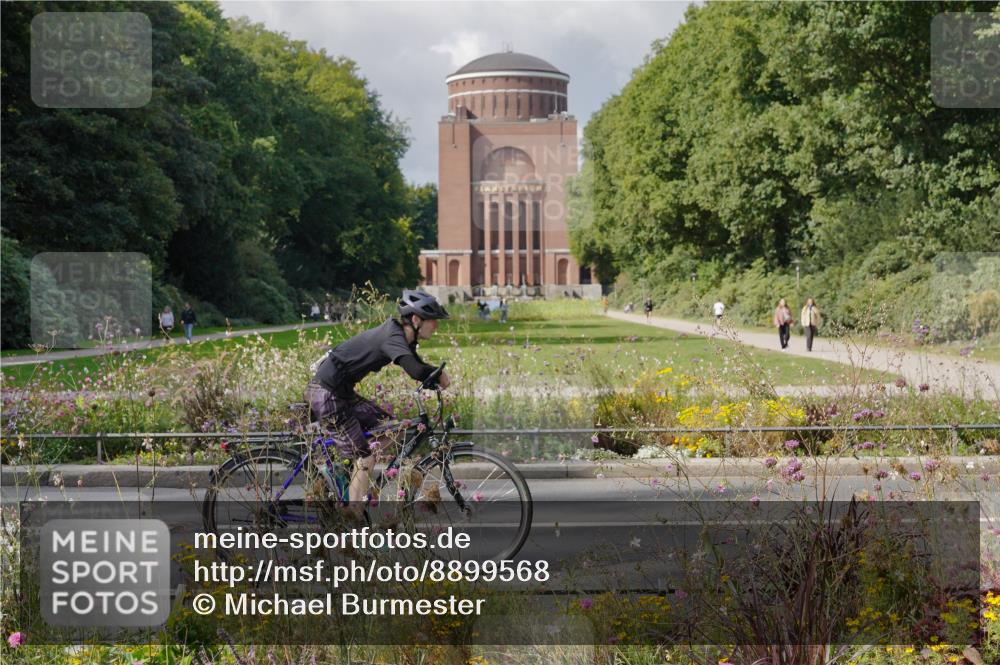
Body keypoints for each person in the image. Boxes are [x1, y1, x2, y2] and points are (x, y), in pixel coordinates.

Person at [305, 290, 451, 518]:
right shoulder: (392, 336)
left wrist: (432, 375)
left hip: (340, 392)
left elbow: (416, 364)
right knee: (366, 455)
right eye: (433, 321)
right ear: (415, 320)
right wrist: (437, 375)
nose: (436, 326)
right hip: (328, 394)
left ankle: (351, 480)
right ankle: (351, 522)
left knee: (392, 429)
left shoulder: (401, 338)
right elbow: (414, 369)